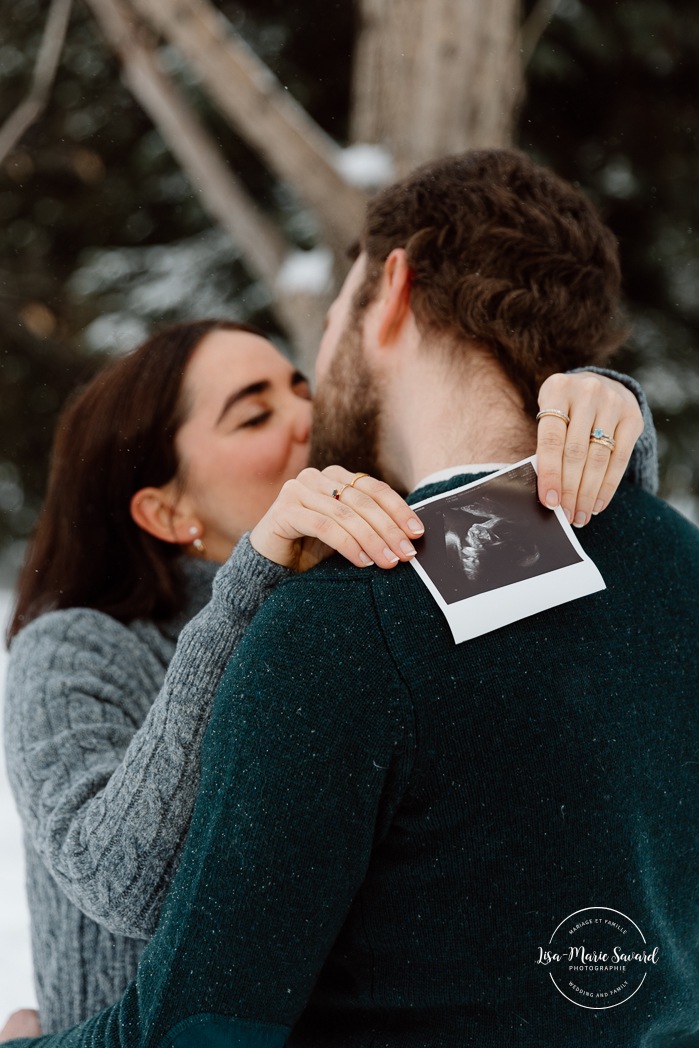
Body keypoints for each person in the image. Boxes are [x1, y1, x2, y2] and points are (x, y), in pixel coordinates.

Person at [1, 312, 651, 1041]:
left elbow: (567, 617)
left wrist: (603, 420)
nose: (306, 419)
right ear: (166, 509)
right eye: (254, 415)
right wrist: (255, 578)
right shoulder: (72, 648)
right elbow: (125, 882)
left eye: (300, 387)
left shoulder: (381, 583)